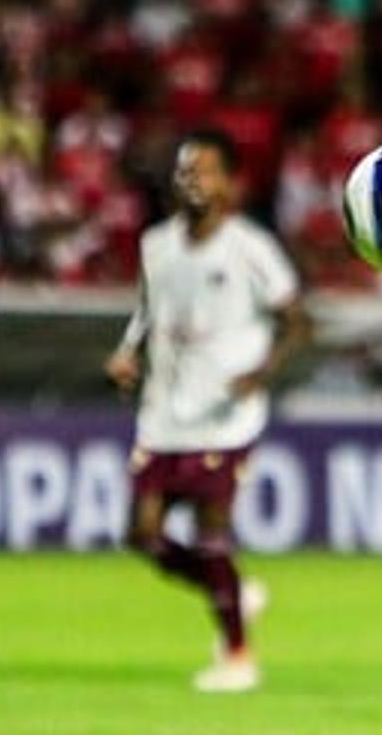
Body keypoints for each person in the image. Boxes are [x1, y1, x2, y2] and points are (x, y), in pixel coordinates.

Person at [105, 129, 311, 693]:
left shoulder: (251, 247)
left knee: (210, 529)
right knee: (141, 533)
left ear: (231, 184)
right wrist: (126, 354)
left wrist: (260, 372)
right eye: (185, 170)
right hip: (164, 413)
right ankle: (234, 594)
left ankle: (238, 656)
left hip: (226, 414)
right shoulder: (156, 245)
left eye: (205, 170)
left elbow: (298, 320)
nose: (193, 179)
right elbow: (146, 313)